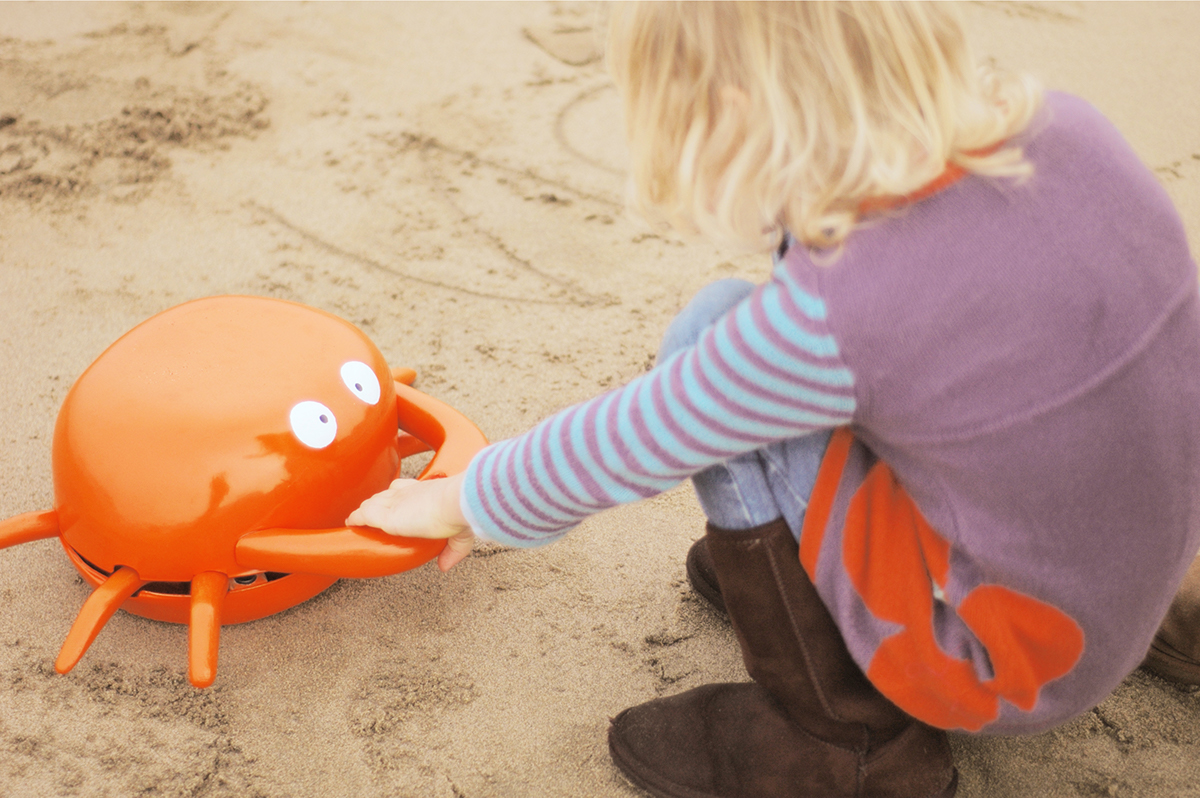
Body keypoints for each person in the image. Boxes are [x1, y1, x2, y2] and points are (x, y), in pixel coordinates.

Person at [347, 3, 1200, 796]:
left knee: (711, 333)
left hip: (1000, 662)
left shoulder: (836, 311)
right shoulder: (1067, 128)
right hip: (1148, 573)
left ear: (734, 114)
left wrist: (466, 500)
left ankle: (847, 740)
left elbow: (641, 433)